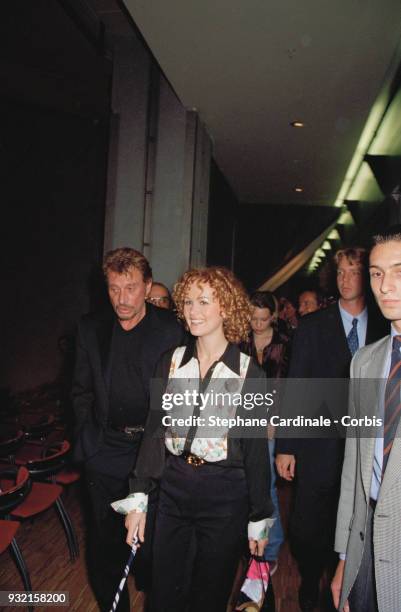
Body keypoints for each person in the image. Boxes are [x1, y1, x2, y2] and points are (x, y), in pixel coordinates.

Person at [112, 266, 274, 612]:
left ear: (226, 307)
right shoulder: (170, 363)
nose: (192, 311)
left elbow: (256, 451)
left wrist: (260, 516)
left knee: (208, 595)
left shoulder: (249, 373)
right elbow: (154, 433)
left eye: (204, 302)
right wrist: (138, 496)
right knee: (164, 592)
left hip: (226, 493)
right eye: (187, 302)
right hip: (174, 486)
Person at [71, 247, 183, 611]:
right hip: (105, 450)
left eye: (131, 288)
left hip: (153, 451)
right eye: (114, 288)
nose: (122, 298)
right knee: (104, 543)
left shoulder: (171, 331)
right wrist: (89, 442)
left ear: (147, 286)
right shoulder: (92, 329)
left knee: (152, 544)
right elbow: (80, 390)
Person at [275, 247, 387, 611]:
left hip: (368, 446)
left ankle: (347, 584)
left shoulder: (387, 325)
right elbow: (296, 386)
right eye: (340, 273)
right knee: (310, 524)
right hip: (319, 446)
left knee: (360, 519)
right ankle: (310, 579)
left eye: (354, 272)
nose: (346, 280)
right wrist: (287, 446)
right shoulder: (313, 326)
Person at [332, 226, 401, 612]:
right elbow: (354, 469)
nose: (385, 285)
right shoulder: (365, 361)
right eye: (376, 273)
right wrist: (345, 556)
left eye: (399, 271)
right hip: (366, 540)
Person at [241, 290, 290, 574]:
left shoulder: (284, 343)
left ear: (273, 316)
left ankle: (271, 548)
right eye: (253, 319)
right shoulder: (239, 341)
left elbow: (287, 386)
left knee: (267, 486)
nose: (258, 324)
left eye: (263, 319)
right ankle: (251, 545)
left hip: (271, 422)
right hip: (242, 420)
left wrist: (276, 421)